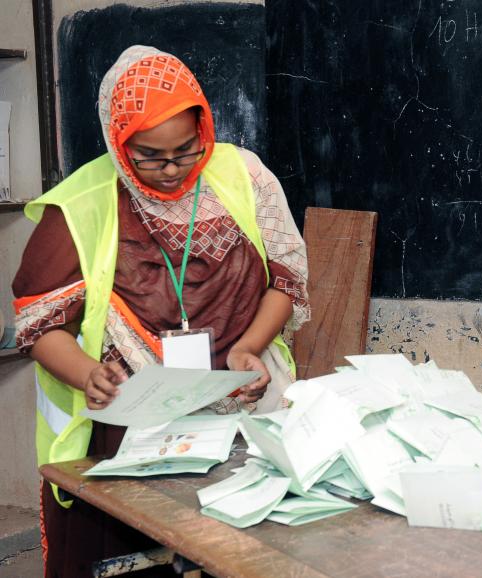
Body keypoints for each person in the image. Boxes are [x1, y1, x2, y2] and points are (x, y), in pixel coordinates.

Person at [14, 45, 309, 577]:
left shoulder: (245, 177)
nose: (172, 170)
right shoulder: (80, 205)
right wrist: (87, 375)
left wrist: (249, 347)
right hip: (134, 425)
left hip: (243, 403)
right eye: (149, 155)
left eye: (187, 150)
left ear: (205, 128)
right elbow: (40, 324)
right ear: (117, 142)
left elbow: (285, 281)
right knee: (145, 556)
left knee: (252, 551)